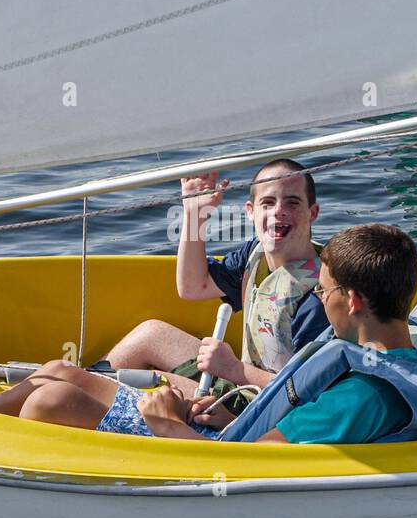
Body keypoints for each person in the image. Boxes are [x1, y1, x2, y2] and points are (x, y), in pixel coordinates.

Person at [0, 224, 417, 445]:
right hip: (221, 432)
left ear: (353, 300)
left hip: (205, 455)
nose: (319, 299)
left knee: (51, 400)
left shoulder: (362, 398)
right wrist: (224, 418)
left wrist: (167, 424)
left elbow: (255, 469)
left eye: (323, 290)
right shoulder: (392, 354)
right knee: (61, 372)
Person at [102, 159, 329, 409]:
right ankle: (86, 381)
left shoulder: (319, 297)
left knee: (154, 384)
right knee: (151, 334)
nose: (278, 211)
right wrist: (194, 214)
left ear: (313, 213)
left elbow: (310, 392)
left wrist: (234, 369)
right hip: (240, 379)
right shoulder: (254, 255)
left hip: (262, 408)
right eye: (268, 202)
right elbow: (192, 287)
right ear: (251, 211)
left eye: (292, 202)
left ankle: (82, 392)